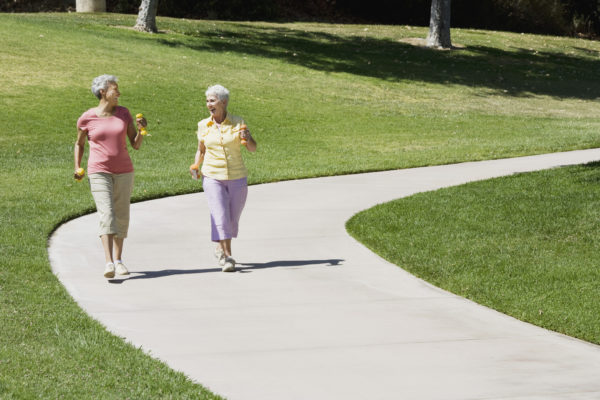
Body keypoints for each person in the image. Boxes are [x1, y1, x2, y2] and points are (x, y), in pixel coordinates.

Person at [74, 74, 147, 279]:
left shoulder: (123, 113)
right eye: (115, 89)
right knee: (107, 214)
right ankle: (108, 263)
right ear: (102, 92)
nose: (119, 93)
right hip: (99, 171)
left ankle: (119, 260)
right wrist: (77, 166)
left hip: (124, 171)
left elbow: (135, 144)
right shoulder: (87, 117)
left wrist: (141, 130)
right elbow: (79, 144)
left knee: (122, 215)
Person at [191, 84, 257, 272]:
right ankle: (228, 257)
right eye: (207, 101)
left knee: (232, 218)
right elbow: (200, 150)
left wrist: (249, 137)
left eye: (212, 100)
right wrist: (196, 166)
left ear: (224, 102)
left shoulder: (238, 122)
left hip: (237, 177)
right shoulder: (203, 125)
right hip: (212, 176)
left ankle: (220, 246)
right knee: (220, 215)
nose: (208, 104)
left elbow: (252, 148)